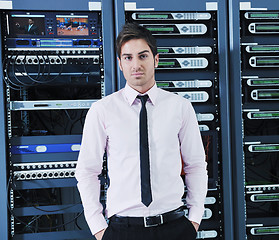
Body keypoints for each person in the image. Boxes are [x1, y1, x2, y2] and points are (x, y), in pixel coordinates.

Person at [75, 23, 208, 240]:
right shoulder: (102, 110)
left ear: (156, 59)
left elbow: (196, 165)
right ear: (119, 63)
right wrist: (98, 228)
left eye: (143, 56)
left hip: (174, 226)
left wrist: (194, 219)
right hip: (123, 229)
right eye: (128, 58)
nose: (136, 64)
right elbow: (87, 171)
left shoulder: (180, 107)